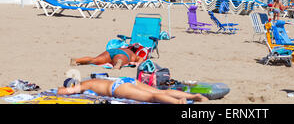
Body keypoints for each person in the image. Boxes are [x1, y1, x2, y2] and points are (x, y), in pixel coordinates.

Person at [57, 77, 208, 104]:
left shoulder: (83, 85)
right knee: (159, 91)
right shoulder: (93, 81)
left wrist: (61, 89)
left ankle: (178, 103)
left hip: (118, 88)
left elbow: (63, 92)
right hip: (125, 80)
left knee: (153, 97)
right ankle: (193, 96)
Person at [70, 44, 144, 69]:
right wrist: (136, 63)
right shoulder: (133, 55)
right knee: (119, 59)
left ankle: (77, 60)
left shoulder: (124, 48)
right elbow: (140, 59)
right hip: (122, 55)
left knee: (95, 60)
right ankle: (118, 64)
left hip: (111, 51)